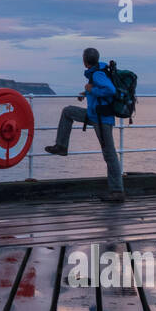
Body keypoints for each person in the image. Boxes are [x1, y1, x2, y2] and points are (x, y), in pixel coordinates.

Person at [43, 47, 126, 202]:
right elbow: (100, 89)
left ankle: (117, 192)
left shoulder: (98, 73)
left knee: (109, 154)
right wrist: (87, 93)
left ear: (84, 60)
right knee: (68, 112)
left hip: (102, 119)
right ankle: (61, 146)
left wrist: (92, 90)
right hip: (94, 114)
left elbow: (110, 90)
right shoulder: (97, 70)